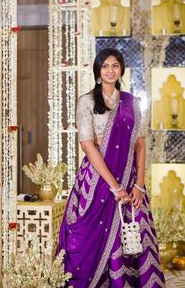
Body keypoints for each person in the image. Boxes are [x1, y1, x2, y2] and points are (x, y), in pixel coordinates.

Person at [57, 48, 165, 287]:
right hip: (96, 184)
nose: (110, 70)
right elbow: (87, 146)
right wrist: (115, 187)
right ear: (98, 70)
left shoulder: (131, 103)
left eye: (115, 66)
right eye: (105, 66)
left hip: (130, 183)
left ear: (121, 69)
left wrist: (139, 185)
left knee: (131, 238)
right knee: (87, 241)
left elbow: (140, 144)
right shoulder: (86, 101)